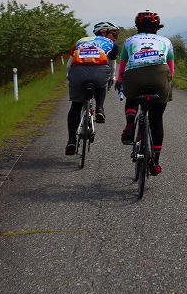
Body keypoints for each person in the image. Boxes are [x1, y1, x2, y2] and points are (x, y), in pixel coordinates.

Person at [116, 11, 175, 175]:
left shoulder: (129, 41)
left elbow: (122, 67)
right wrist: (168, 84)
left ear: (137, 27)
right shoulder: (166, 41)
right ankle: (155, 162)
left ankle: (130, 123)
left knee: (132, 95)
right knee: (156, 119)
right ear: (157, 27)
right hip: (159, 76)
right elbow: (171, 69)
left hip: (135, 76)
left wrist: (120, 82)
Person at [64, 21, 120, 156]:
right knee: (103, 81)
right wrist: (112, 78)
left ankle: (71, 141)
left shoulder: (80, 41)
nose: (115, 37)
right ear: (103, 32)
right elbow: (112, 67)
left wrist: (70, 76)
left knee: (75, 106)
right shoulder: (112, 45)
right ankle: (100, 108)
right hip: (100, 73)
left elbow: (68, 65)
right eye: (113, 34)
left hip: (78, 73)